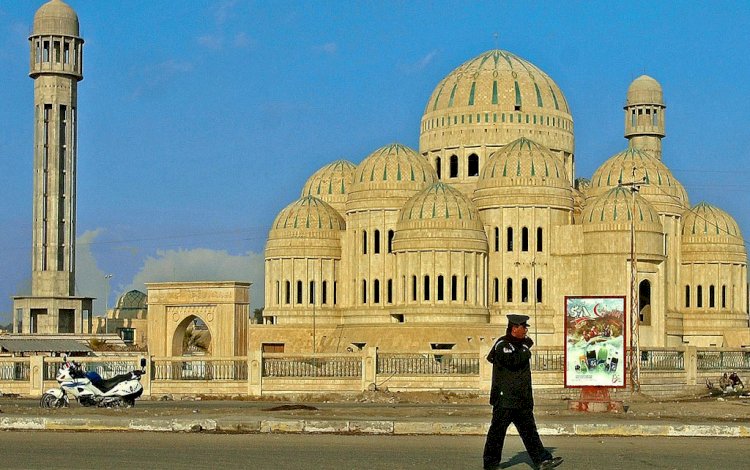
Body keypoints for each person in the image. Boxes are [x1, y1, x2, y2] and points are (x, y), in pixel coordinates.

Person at [483, 314, 563, 470]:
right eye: (523, 327)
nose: (526, 330)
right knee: (497, 433)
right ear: (514, 329)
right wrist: (526, 348)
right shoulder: (503, 345)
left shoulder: (519, 345)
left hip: (521, 400)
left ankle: (541, 460)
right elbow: (513, 361)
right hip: (505, 400)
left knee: (529, 431)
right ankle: (491, 464)